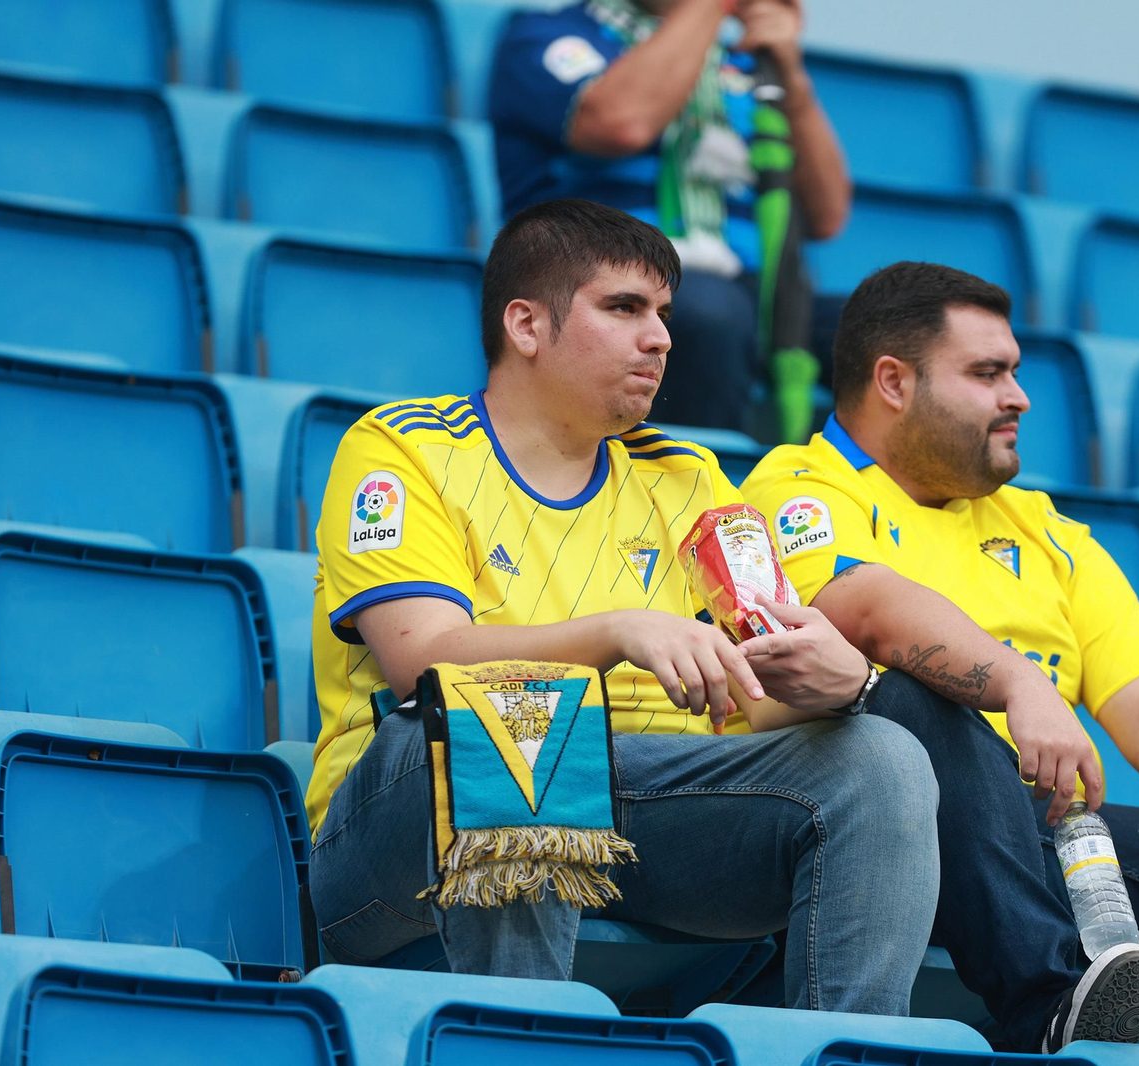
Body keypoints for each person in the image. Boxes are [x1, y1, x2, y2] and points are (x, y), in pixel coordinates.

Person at [304, 199, 938, 1015]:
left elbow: (756, 696)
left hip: (649, 803)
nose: (663, 338)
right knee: (521, 716)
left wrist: (843, 684)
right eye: (625, 308)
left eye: (665, 314)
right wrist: (617, 632)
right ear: (527, 325)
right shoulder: (402, 450)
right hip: (406, 824)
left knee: (881, 758)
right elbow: (421, 661)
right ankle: (521, 1038)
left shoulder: (690, 477)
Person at [741, 261, 1139, 1051]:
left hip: (1039, 837)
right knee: (911, 696)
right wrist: (1016, 682)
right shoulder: (799, 487)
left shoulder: (1045, 530)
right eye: (988, 373)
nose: (1019, 396)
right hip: (878, 832)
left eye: (1014, 371)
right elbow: (865, 612)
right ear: (893, 382)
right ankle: (1048, 1005)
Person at [489, 0, 849, 433]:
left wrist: (790, 75)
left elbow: (825, 215)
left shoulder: (742, 64)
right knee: (708, 316)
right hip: (602, 280)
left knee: (890, 330)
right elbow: (623, 124)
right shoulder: (546, 35)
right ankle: (689, 489)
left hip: (754, 290)